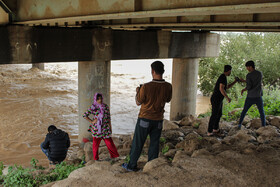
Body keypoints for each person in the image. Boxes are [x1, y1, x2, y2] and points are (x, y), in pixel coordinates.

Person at [122, 61, 172, 171]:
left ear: (152, 71)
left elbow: (138, 102)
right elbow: (168, 99)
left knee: (138, 143)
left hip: (144, 119)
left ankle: (131, 166)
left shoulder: (146, 86)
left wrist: (138, 91)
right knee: (154, 144)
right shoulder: (168, 86)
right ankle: (152, 166)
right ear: (162, 71)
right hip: (158, 120)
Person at [83, 92, 119, 161]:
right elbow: (85, 115)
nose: (100, 100)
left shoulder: (105, 106)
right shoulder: (93, 107)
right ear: (95, 99)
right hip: (96, 129)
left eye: (100, 98)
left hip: (105, 129)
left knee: (110, 143)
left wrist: (110, 128)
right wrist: (92, 121)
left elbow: (108, 118)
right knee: (95, 145)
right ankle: (96, 159)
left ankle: (115, 157)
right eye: (98, 99)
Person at [207, 65, 239, 136]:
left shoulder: (224, 77)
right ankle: (209, 131)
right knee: (214, 115)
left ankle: (215, 129)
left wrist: (235, 82)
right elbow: (221, 88)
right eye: (230, 71)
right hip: (216, 98)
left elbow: (226, 87)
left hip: (219, 99)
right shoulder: (223, 77)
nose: (230, 72)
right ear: (229, 70)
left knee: (219, 114)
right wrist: (227, 97)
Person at [238, 60, 266, 129]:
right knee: (261, 111)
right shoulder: (260, 73)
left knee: (244, 111)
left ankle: (239, 125)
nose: (247, 69)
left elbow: (249, 86)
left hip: (250, 96)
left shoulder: (249, 75)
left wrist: (244, 89)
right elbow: (255, 82)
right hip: (258, 96)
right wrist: (245, 81)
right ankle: (264, 126)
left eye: (247, 67)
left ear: (250, 67)